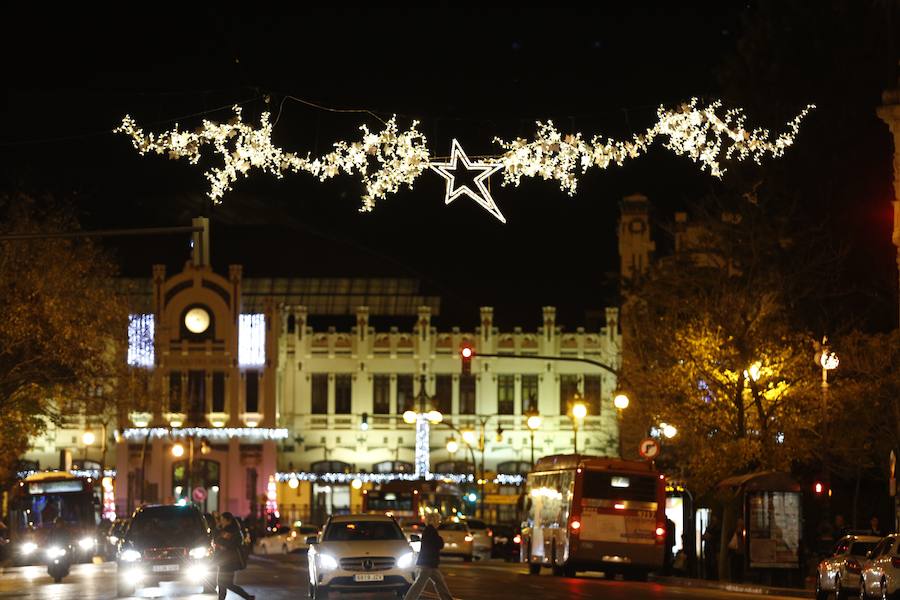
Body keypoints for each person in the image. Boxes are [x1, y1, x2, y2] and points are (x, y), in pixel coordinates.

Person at [402, 514, 453, 600]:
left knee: (438, 583)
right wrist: (440, 539)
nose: (439, 522)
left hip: (429, 563)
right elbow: (439, 544)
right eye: (438, 520)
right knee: (419, 585)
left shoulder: (429, 530)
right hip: (428, 564)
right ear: (434, 521)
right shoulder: (431, 531)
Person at [214, 512, 253, 600]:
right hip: (224, 560)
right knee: (222, 583)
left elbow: (231, 544)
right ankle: (247, 597)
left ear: (229, 520)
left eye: (223, 520)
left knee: (226, 583)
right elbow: (216, 539)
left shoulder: (234, 531)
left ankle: (247, 597)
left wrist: (222, 543)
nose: (221, 521)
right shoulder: (223, 530)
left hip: (230, 560)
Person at [701, 515, 721, 580]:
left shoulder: (717, 529)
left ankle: (713, 577)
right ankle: (709, 576)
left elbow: (717, 538)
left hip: (713, 548)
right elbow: (703, 537)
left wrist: (710, 537)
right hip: (708, 548)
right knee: (708, 563)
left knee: (713, 563)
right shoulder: (708, 527)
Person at [727, 517, 745, 583]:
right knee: (734, 566)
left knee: (740, 567)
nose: (740, 524)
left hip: (741, 552)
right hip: (734, 552)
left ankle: (739, 579)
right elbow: (730, 540)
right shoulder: (733, 530)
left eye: (741, 523)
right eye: (739, 523)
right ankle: (734, 579)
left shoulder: (743, 531)